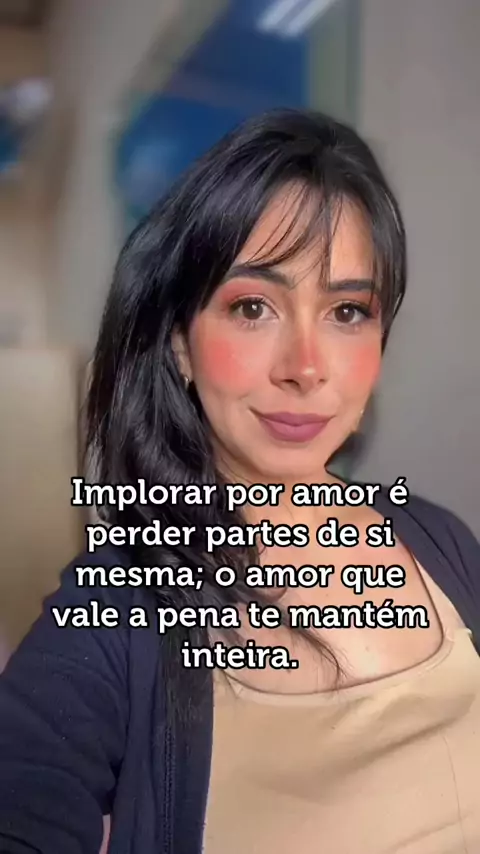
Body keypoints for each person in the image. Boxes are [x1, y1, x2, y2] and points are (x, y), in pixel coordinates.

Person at [0, 109, 479, 854]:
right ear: (180, 345)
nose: (306, 367)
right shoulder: (117, 609)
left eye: (347, 311)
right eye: (253, 307)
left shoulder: (441, 540)